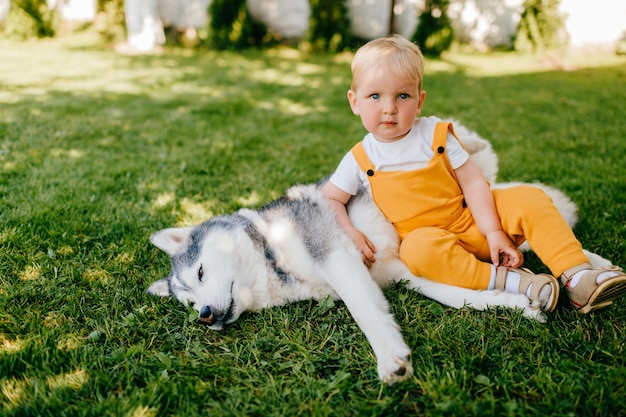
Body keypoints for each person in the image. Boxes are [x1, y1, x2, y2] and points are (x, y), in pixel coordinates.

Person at [321, 34, 626, 313]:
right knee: (416, 253)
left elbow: (472, 181)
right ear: (354, 102)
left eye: (402, 96)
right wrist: (353, 232)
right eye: (375, 96)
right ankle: (516, 282)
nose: (389, 108)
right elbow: (331, 199)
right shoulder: (360, 158)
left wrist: (493, 231)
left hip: (475, 220)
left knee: (529, 197)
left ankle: (578, 276)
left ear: (420, 100)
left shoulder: (435, 134)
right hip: (431, 240)